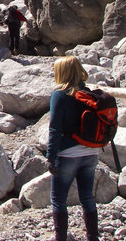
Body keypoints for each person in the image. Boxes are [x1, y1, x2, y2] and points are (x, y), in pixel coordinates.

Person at [46, 56, 100, 241]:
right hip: (90, 152)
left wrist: (50, 156)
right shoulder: (89, 93)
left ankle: (60, 237)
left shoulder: (59, 95)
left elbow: (55, 128)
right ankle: (93, 237)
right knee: (87, 198)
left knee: (58, 200)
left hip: (68, 154)